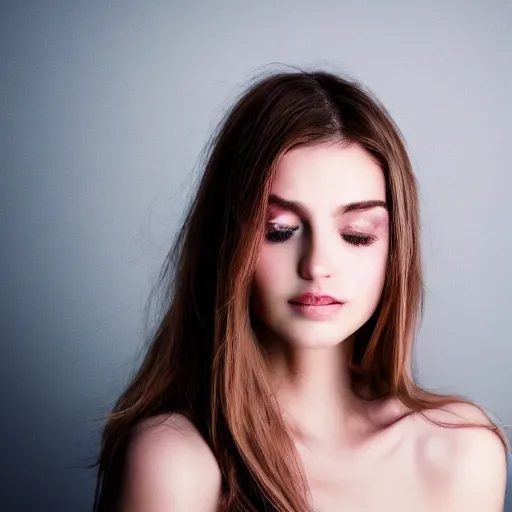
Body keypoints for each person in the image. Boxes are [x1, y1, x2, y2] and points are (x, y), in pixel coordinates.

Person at [92, 67, 510, 511]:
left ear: (396, 248)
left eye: (356, 234)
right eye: (279, 230)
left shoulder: (459, 453)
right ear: (227, 241)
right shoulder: (174, 461)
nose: (317, 265)